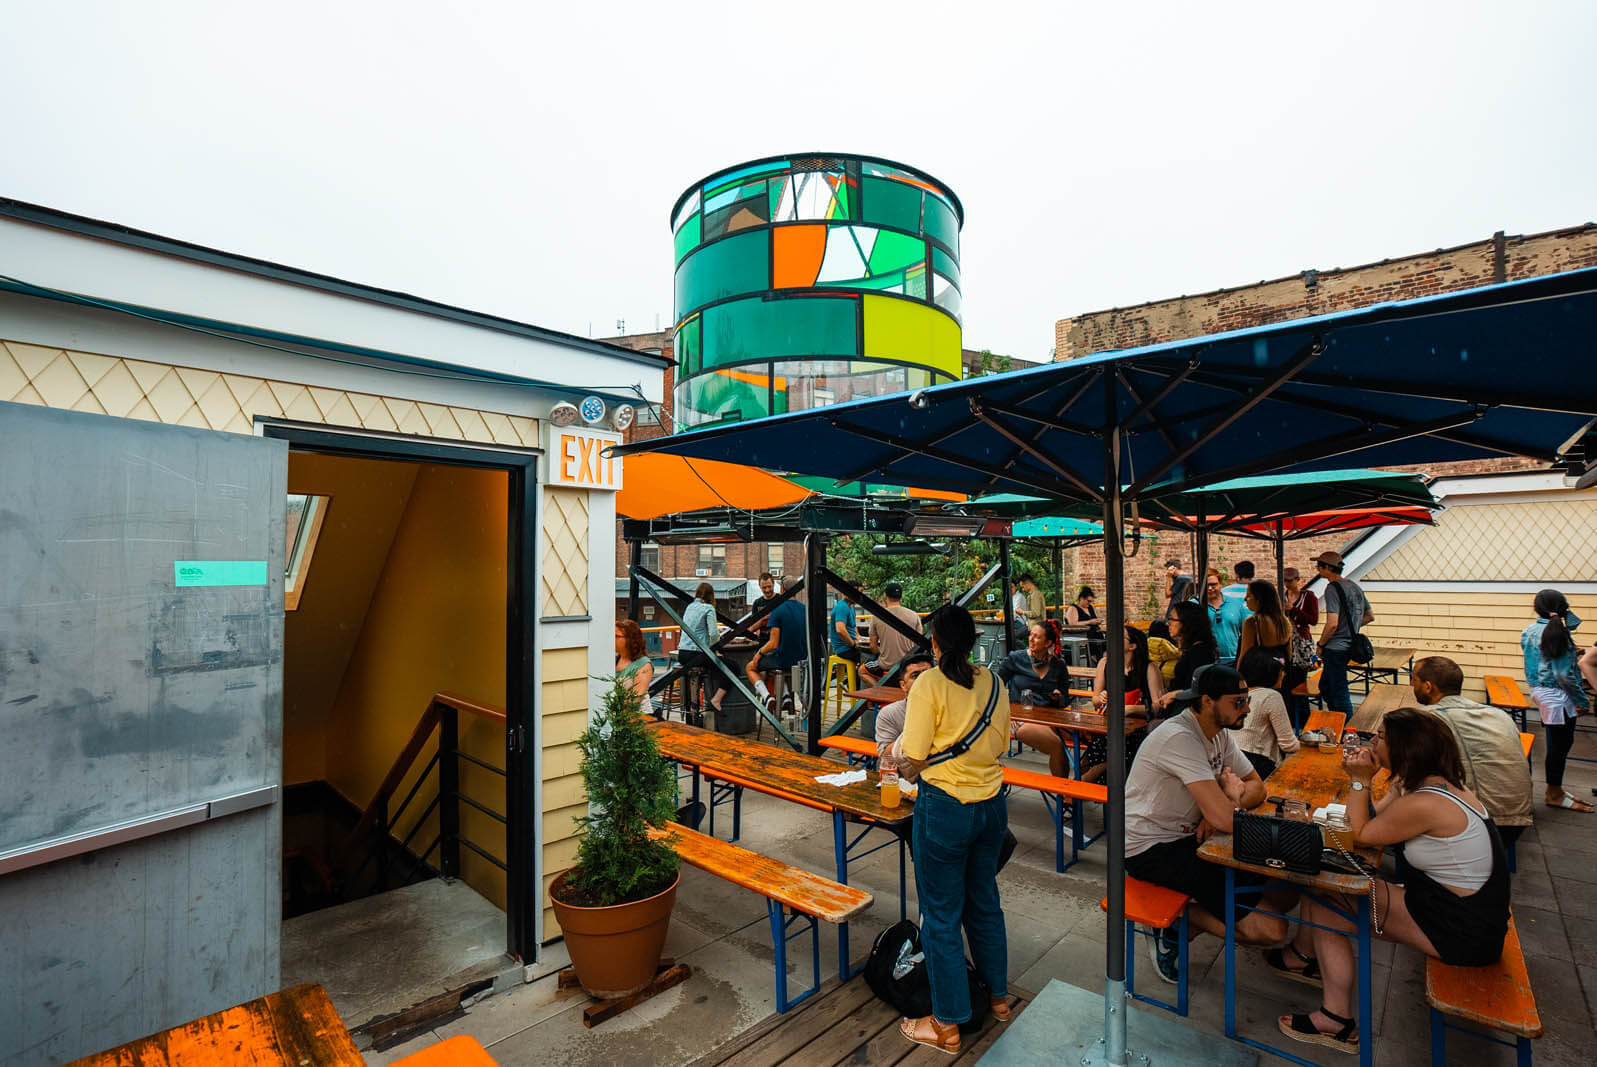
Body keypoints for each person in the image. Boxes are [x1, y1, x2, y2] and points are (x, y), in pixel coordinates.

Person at [1279, 708, 1510, 1055]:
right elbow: (1377, 817)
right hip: (1465, 911)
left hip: (1462, 930)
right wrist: (1371, 785)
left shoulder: (1426, 803)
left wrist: (1359, 779)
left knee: (1328, 896)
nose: (1373, 741)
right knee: (1328, 890)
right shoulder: (1432, 785)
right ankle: (1302, 956)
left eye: (1382, 737)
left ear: (1407, 748)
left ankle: (1336, 1018)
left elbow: (1360, 835)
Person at [1124, 664, 1300, 984]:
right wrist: (1225, 800)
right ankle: (1178, 924)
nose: (1247, 709)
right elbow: (1228, 817)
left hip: (1195, 836)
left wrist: (1220, 805)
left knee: (1286, 891)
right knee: (1272, 929)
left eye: (1247, 700)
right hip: (1149, 848)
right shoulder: (1180, 737)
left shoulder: (1218, 734)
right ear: (1207, 701)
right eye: (1238, 702)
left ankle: (1187, 921)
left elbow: (1258, 787)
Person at [894, 606, 1012, 1054]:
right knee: (984, 902)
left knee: (941, 915)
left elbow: (916, 751)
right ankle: (998, 999)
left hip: (944, 805)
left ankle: (946, 1024)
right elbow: (1001, 743)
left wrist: (906, 758)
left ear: (935, 642)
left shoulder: (927, 683)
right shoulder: (994, 681)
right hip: (991, 805)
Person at [1411, 656, 1534, 840]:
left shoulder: (1429, 719)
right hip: (1518, 818)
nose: (1412, 685)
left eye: (1413, 680)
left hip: (1480, 825)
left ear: (1428, 687)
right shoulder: (1498, 714)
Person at [1520, 589, 1591, 812]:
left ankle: (1556, 789)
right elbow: (1563, 675)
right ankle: (1553, 793)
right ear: (1563, 607)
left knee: (1555, 743)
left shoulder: (1529, 630)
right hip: (1558, 695)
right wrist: (1583, 701)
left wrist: (1571, 651)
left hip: (1539, 691)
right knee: (1560, 746)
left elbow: (1542, 656)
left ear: (1536, 608)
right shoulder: (1559, 634)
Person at [1075, 625, 1165, 781]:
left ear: (1133, 646)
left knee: (1110, 752)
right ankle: (1082, 785)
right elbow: (1095, 700)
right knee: (1095, 753)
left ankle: (1077, 787)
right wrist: (1101, 697)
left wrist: (1130, 709)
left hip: (1137, 727)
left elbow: (1158, 706)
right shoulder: (1105, 663)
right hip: (1108, 724)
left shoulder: (1148, 668)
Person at [1314, 551, 1372, 715]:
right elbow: (1369, 616)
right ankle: (1335, 719)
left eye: (1319, 566)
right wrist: (1351, 628)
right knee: (1325, 686)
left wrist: (1321, 644)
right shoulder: (1355, 586)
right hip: (1349, 647)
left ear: (1326, 567)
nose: (1317, 569)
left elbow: (1332, 624)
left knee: (1339, 693)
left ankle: (1346, 730)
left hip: (1335, 649)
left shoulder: (1332, 588)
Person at [745, 575, 807, 716]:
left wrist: (759, 654)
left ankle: (767, 697)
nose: (767, 590)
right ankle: (785, 696)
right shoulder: (804, 609)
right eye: (764, 587)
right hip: (801, 660)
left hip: (782, 658)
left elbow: (773, 643)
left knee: (751, 667)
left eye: (769, 587)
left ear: (781, 589)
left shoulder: (778, 610)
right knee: (775, 667)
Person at [1235, 647, 1298, 780]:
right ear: (1270, 672)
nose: (1284, 674)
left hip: (1232, 760)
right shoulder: (1270, 696)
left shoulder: (1236, 693)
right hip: (1256, 765)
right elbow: (1289, 744)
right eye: (1281, 670)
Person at [677, 582, 728, 719]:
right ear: (711, 596)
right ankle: (716, 700)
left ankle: (691, 712)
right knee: (732, 667)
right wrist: (718, 649)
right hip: (697, 654)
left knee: (704, 671)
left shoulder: (689, 607)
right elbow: (713, 634)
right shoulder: (708, 608)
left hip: (682, 654)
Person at [1156, 600, 1217, 711]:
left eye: (1172, 619)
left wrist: (1174, 695)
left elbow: (1197, 689)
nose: (1167, 623)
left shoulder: (1199, 652)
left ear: (1187, 623)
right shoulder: (1193, 650)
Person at [873, 653, 935, 758]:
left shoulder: (947, 708)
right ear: (903, 685)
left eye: (927, 674)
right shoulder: (890, 713)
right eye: (915, 676)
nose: (923, 679)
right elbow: (885, 755)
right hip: (907, 772)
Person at [995, 623, 1071, 707]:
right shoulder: (1015, 658)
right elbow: (996, 684)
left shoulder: (1059, 665)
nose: (1031, 639)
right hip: (1019, 716)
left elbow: (1065, 699)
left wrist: (1059, 697)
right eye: (1030, 634)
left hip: (1047, 716)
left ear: (1047, 643)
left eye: (1036, 637)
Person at [864, 582, 925, 683]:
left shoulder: (877, 617)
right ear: (901, 597)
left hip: (886, 665)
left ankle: (879, 691)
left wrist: (882, 652)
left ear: (885, 596)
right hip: (908, 664)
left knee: (862, 671)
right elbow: (919, 645)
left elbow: (873, 647)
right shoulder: (914, 615)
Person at [1282, 566, 1320, 723]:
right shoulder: (1283, 596)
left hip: (1300, 642)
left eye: (1290, 580)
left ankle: (1303, 717)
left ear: (1298, 580)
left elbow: (1313, 619)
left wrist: (1294, 610)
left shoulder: (1308, 596)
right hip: (1286, 641)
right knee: (1286, 680)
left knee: (1299, 679)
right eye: (1284, 580)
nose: (1287, 583)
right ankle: (1290, 715)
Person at [1235, 580, 1291, 676]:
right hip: (1280, 675)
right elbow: (1289, 654)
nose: (1245, 598)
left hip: (1258, 676)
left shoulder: (1252, 622)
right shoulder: (1284, 622)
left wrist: (1238, 676)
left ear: (1259, 599)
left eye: (1249, 596)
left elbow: (1244, 654)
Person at [1204, 568, 1247, 662]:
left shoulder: (1235, 604)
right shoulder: (1195, 605)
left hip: (1233, 658)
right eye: (1207, 585)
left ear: (1220, 584)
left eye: (1213, 585)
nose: (1210, 588)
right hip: (1206, 660)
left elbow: (1244, 632)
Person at [614, 619, 654, 717]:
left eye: (617, 636)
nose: (612, 639)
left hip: (639, 718)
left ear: (630, 639)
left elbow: (637, 698)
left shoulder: (643, 664)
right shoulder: (614, 660)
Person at [1065, 585, 1105, 661]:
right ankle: (1094, 660)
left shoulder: (1090, 607)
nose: (1089, 603)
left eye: (1091, 601)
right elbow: (1072, 624)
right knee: (1098, 644)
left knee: (1106, 642)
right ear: (1081, 599)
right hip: (1082, 637)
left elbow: (1094, 619)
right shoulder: (1073, 608)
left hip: (1095, 635)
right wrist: (1090, 622)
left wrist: (1097, 622)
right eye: (1088, 601)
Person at [830, 589, 862, 665]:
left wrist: (858, 637)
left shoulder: (850, 607)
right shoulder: (842, 607)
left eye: (861, 592)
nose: (859, 595)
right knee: (873, 657)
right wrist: (853, 644)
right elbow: (840, 630)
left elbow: (853, 626)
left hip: (849, 647)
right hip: (844, 649)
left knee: (875, 653)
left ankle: (859, 674)